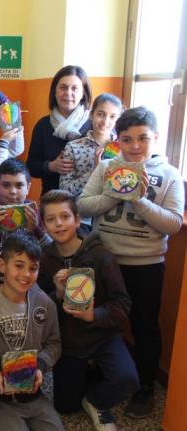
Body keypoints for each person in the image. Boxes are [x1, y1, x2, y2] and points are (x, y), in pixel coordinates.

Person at [78, 107, 185, 418]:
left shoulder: (170, 174)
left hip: (146, 265)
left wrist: (137, 197)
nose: (135, 146)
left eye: (142, 138)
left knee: (144, 326)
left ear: (156, 137)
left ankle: (146, 387)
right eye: (127, 139)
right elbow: (84, 204)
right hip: (105, 260)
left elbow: (173, 224)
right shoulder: (108, 167)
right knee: (98, 319)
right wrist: (115, 193)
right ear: (118, 140)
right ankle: (99, 372)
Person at [37, 189, 138, 431]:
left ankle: (94, 400)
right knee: (65, 406)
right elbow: (38, 307)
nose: (59, 224)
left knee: (127, 380)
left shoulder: (101, 256)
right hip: (68, 342)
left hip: (102, 335)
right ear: (44, 224)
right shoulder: (44, 260)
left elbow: (122, 303)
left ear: (77, 219)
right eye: (51, 219)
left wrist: (94, 315)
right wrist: (58, 295)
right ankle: (86, 375)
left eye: (65, 217)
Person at [0, 232, 63, 431]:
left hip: (33, 395)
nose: (26, 274)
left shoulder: (45, 303)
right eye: (18, 265)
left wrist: (41, 365)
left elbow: (54, 343)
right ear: (2, 265)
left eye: (33, 268)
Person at [0, 158, 50, 287]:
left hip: (27, 288)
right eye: (6, 185)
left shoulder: (38, 215)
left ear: (28, 187)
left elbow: (52, 256)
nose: (13, 191)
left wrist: (36, 230)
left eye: (19, 185)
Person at [27, 65, 93, 194]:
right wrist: (50, 166)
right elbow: (31, 167)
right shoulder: (43, 125)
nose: (68, 93)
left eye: (75, 88)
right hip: (51, 200)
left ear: (83, 94)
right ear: (55, 92)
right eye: (63, 87)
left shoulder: (93, 125)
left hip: (87, 203)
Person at [60, 93, 123, 198]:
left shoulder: (122, 148)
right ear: (91, 114)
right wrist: (94, 172)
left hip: (112, 209)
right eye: (101, 114)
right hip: (83, 211)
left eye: (112, 116)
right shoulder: (73, 147)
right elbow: (65, 190)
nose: (105, 121)